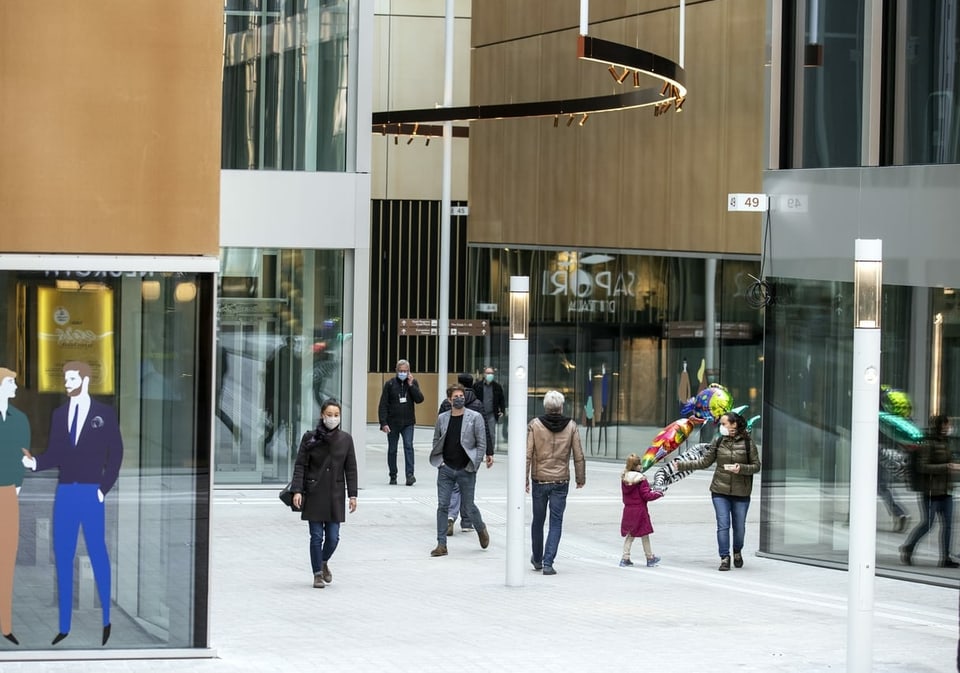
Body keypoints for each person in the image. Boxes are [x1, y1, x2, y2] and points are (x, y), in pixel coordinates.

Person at [22, 361, 124, 645]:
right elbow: (55, 453)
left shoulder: (104, 414)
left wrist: (104, 489)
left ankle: (106, 620)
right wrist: (34, 463)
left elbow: (115, 454)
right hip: (65, 492)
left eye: (71, 379)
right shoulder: (59, 414)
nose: (66, 384)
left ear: (86, 380)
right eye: (65, 378)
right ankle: (64, 626)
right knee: (63, 557)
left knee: (97, 552)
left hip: (92, 492)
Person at [674, 411, 760, 571]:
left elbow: (756, 466)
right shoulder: (719, 440)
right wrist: (683, 465)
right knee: (723, 525)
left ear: (733, 424)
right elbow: (705, 462)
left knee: (739, 527)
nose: (721, 426)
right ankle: (724, 557)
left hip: (741, 493)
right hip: (719, 491)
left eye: (724, 423)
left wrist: (740, 468)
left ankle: (737, 551)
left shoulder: (748, 443)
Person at [290, 399, 358, 588]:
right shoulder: (310, 438)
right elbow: (300, 466)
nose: (332, 418)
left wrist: (353, 495)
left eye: (336, 415)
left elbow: (350, 468)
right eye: (329, 414)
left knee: (333, 537)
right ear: (322, 415)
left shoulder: (345, 439)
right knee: (316, 536)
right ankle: (317, 574)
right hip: (313, 492)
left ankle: (323, 560)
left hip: (335, 494)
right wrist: (297, 490)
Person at [525, 390, 586, 576]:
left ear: (545, 406)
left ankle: (537, 558)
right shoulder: (571, 426)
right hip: (561, 480)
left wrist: (524, 479)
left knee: (538, 520)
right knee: (556, 522)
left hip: (539, 479)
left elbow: (527, 454)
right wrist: (580, 478)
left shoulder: (535, 425)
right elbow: (578, 455)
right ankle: (548, 562)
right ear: (561, 407)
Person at [428, 384, 492, 557]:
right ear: (449, 399)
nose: (459, 399)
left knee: (469, 506)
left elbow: (481, 443)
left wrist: (474, 465)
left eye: (461, 396)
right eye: (455, 396)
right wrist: (440, 462)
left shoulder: (475, 417)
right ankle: (442, 544)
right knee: (442, 505)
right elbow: (436, 439)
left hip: (466, 468)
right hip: (446, 469)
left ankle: (481, 528)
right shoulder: (442, 418)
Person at [900, 414, 960, 568]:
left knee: (948, 525)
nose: (948, 428)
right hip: (931, 491)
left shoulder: (945, 442)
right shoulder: (928, 443)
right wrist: (946, 467)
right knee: (928, 523)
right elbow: (922, 466)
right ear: (940, 426)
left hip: (945, 491)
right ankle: (908, 547)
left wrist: (951, 465)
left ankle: (945, 558)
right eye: (946, 425)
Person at [440, 373, 494, 534]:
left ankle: (451, 516)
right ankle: (466, 521)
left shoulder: (446, 403)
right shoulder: (477, 403)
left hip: (455, 455)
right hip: (469, 456)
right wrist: (488, 452)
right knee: (466, 490)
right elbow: (484, 430)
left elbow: (440, 431)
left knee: (456, 489)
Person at [0, 367, 29, 646]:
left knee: (6, 561)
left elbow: (23, 454)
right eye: (10, 382)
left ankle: (5, 624)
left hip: (8, 494)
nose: (16, 387)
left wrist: (16, 486)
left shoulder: (19, 419)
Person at [378, 359, 424, 485]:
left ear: (409, 371)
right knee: (392, 449)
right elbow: (383, 404)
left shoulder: (413, 383)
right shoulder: (390, 384)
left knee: (408, 446)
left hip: (408, 422)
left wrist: (411, 385)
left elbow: (419, 399)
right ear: (396, 371)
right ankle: (393, 475)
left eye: (405, 371)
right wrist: (383, 423)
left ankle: (410, 475)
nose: (403, 373)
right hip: (392, 422)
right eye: (401, 371)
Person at [619, 453, 663, 568]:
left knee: (630, 534)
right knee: (644, 534)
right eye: (639, 464)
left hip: (628, 510)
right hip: (640, 510)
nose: (641, 466)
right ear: (636, 466)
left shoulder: (624, 479)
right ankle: (650, 558)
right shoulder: (642, 479)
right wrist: (658, 493)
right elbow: (646, 495)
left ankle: (625, 558)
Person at [473, 366, 505, 453]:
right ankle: (479, 452)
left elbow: (501, 399)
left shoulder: (497, 386)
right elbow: (473, 398)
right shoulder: (477, 386)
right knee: (479, 433)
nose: (490, 375)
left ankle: (490, 452)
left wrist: (502, 410)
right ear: (484, 374)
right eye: (488, 373)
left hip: (491, 414)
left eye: (491, 373)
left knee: (491, 434)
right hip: (479, 413)